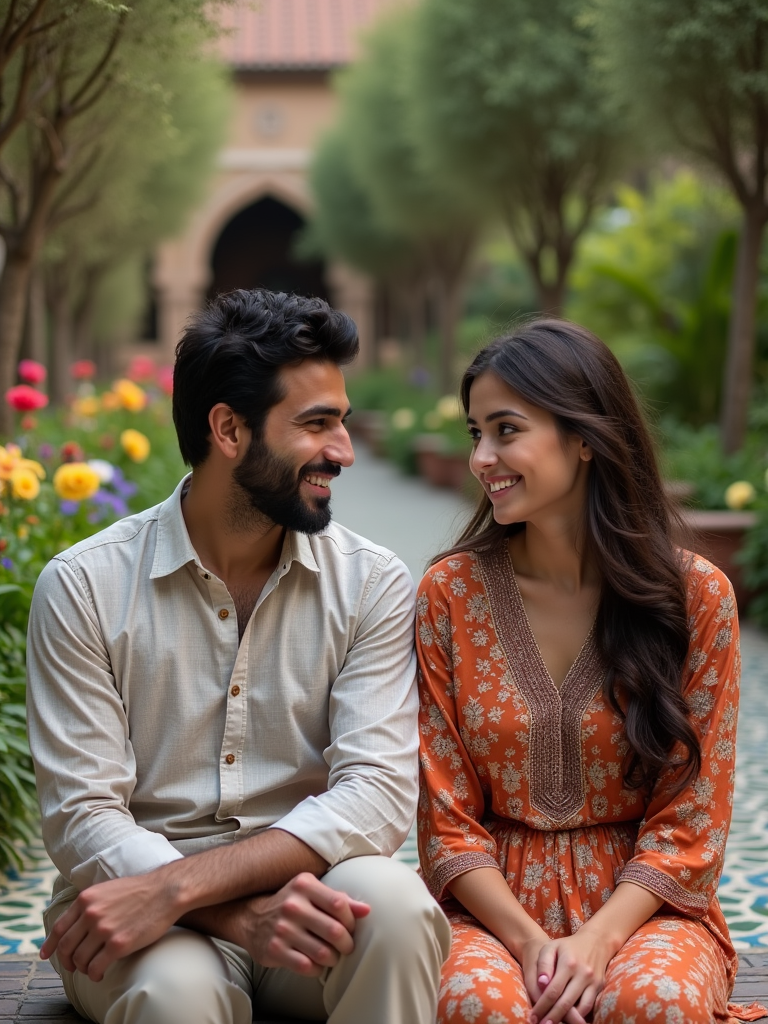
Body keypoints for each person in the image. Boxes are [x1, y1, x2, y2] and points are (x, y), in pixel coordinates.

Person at [27, 289, 450, 1024]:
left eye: (342, 422)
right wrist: (218, 909)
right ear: (228, 428)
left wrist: (187, 887)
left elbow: (376, 795)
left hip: (305, 885)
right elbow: (84, 815)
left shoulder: (372, 582)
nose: (344, 452)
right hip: (137, 911)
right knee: (174, 994)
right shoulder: (84, 586)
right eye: (316, 425)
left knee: (398, 910)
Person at [416, 319, 766, 1024]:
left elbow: (692, 821)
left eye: (506, 430)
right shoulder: (449, 596)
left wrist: (598, 941)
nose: (484, 457)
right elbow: (444, 820)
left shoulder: (695, 598)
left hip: (646, 910)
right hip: (488, 910)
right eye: (474, 432)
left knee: (649, 1001)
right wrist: (532, 946)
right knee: (477, 1003)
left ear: (584, 438)